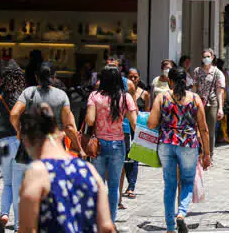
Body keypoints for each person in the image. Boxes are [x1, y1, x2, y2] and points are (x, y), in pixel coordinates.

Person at [18, 104, 115, 232]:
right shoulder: (88, 170)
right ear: (59, 133)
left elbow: (28, 229)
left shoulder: (37, 172)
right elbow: (107, 227)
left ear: (27, 140)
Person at [147, 67, 211, 233]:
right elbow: (204, 129)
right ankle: (181, 214)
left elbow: (151, 123)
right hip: (189, 144)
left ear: (170, 81)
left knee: (169, 185)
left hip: (167, 143)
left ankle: (170, 227)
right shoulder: (195, 99)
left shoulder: (162, 97)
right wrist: (207, 154)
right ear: (186, 81)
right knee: (187, 182)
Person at [86, 66, 137, 222]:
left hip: (99, 144)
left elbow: (90, 120)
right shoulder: (125, 97)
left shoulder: (94, 96)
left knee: (99, 184)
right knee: (114, 186)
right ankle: (111, 221)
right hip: (118, 143)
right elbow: (134, 122)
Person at [11, 61, 85, 158]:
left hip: (32, 145)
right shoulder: (61, 95)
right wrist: (79, 149)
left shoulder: (28, 92)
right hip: (55, 147)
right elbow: (69, 127)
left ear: (36, 77)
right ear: (54, 77)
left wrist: (19, 133)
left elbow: (14, 114)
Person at [0, 60, 26, 229]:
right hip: (18, 143)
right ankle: (19, 224)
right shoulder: (24, 96)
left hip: (1, 145)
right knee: (18, 184)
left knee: (6, 183)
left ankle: (5, 213)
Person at [123, 68, 150, 199]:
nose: (133, 79)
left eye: (135, 77)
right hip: (125, 128)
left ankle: (131, 186)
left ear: (139, 78)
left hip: (138, 127)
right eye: (130, 77)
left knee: (135, 157)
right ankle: (128, 182)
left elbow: (147, 113)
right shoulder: (123, 92)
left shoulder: (145, 94)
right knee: (125, 157)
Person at [193, 48, 225, 156]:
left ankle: (209, 153)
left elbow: (219, 91)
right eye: (204, 56)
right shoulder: (197, 71)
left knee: (210, 130)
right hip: (199, 103)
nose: (206, 59)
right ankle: (199, 151)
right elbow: (194, 87)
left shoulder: (217, 72)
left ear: (212, 57)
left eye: (208, 56)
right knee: (197, 128)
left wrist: (220, 108)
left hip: (212, 103)